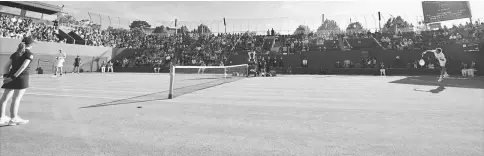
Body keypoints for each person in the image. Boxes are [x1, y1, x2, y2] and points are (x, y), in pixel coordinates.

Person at [0, 37, 35, 125]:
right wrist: (13, 77)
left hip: (11, 76)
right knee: (16, 99)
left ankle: (1, 117)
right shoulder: (29, 54)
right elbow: (23, 67)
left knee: (4, 98)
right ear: (31, 44)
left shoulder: (15, 53)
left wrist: (6, 76)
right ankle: (14, 118)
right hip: (21, 78)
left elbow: (6, 66)